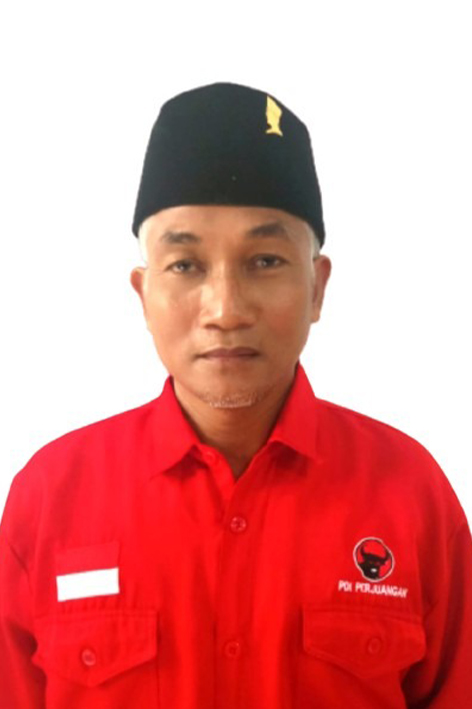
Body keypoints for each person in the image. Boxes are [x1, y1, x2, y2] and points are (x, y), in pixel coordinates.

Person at [0, 81, 471, 708]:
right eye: (185, 265)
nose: (225, 309)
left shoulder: (411, 493)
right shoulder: (48, 497)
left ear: (317, 287)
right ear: (143, 292)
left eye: (265, 261)